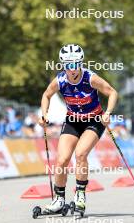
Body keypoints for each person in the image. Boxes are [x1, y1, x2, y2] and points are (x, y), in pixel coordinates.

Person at [39, 44, 118, 213]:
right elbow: (46, 95)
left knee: (80, 154)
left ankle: (80, 195)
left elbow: (112, 92)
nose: (72, 69)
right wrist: (44, 114)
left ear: (80, 63)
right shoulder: (60, 80)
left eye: (75, 65)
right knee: (61, 160)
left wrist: (109, 113)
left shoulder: (90, 78)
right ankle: (59, 200)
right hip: (73, 121)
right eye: (68, 65)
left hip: (94, 120)